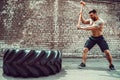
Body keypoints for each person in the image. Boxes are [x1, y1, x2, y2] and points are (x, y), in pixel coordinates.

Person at [77, 1, 115, 70]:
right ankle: (83, 63)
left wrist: (80, 27)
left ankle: (111, 65)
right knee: (85, 50)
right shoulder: (91, 19)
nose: (90, 17)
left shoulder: (100, 22)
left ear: (95, 14)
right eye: (90, 16)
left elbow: (90, 28)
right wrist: (81, 15)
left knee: (107, 52)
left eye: (91, 15)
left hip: (100, 38)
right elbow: (84, 22)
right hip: (92, 38)